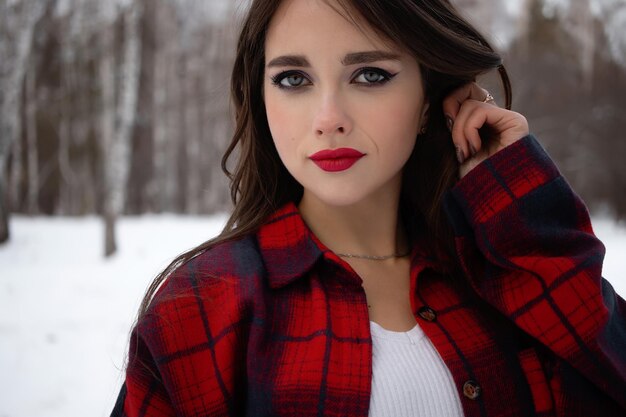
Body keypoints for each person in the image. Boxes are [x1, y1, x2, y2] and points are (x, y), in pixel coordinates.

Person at [110, 0, 626, 416]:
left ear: (428, 100)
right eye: (293, 79)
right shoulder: (202, 308)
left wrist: (515, 203)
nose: (328, 118)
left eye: (370, 75)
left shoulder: (503, 271)